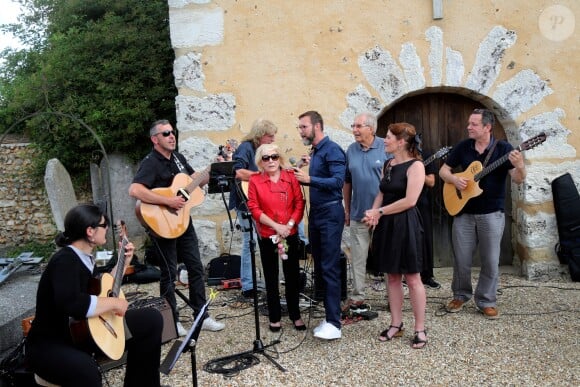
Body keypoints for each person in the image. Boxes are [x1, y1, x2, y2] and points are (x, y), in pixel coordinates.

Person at [26, 204, 163, 386]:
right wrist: (114, 304)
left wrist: (124, 262)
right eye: (103, 224)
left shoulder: (85, 258)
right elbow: (72, 303)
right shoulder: (65, 260)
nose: (106, 228)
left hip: (81, 331)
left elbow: (102, 289)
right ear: (90, 231)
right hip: (50, 345)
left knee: (150, 320)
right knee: (87, 370)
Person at [129, 119, 224, 336]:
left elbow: (196, 181)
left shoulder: (179, 159)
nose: (172, 136)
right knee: (169, 273)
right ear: (155, 139)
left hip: (183, 221)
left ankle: (202, 316)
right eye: (166, 133)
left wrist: (214, 167)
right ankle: (172, 321)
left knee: (196, 268)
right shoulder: (150, 163)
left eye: (172, 132)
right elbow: (134, 190)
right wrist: (167, 201)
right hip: (163, 224)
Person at [439, 108, 526, 319]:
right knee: (461, 258)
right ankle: (460, 295)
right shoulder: (463, 147)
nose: (468, 127)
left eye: (474, 124)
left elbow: (518, 179)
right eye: (469, 123)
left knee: (490, 259)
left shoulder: (504, 148)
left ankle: (486, 300)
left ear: (487, 127)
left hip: (491, 213)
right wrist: (454, 180)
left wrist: (520, 165)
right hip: (463, 213)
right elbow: (443, 170)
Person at [363, 122, 428, 349]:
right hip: (387, 224)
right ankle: (396, 324)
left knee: (412, 277)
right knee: (391, 276)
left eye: (389, 137)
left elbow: (410, 201)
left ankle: (419, 328)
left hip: (406, 224)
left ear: (401, 142)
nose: (384, 141)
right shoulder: (388, 164)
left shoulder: (416, 167)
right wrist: (374, 214)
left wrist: (379, 212)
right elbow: (382, 192)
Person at [294, 110, 346, 340]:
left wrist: (309, 179)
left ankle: (335, 323)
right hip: (316, 214)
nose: (300, 131)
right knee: (321, 265)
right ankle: (329, 316)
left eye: (303, 127)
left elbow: (337, 182)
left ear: (317, 126)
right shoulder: (315, 152)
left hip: (330, 214)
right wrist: (306, 166)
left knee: (330, 266)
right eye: (299, 127)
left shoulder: (333, 149)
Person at [246, 143, 306, 331]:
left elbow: (299, 203)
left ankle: (295, 314)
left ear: (279, 158)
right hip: (268, 234)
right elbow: (254, 208)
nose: (270, 161)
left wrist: (288, 226)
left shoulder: (290, 177)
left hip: (290, 233)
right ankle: (274, 316)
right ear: (260, 162)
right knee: (271, 277)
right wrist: (276, 226)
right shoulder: (255, 181)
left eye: (274, 157)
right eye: (266, 158)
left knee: (292, 276)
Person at [342, 112, 391, 313]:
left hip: (384, 214)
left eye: (359, 126)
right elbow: (347, 181)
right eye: (353, 126)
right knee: (358, 257)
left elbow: (395, 180)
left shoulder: (386, 147)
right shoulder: (351, 150)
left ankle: (392, 296)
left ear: (371, 128)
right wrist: (346, 209)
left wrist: (384, 210)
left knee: (388, 257)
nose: (354, 129)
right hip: (358, 213)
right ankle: (357, 296)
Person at [228, 119, 278, 298]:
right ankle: (248, 285)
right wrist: (262, 175)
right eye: (270, 136)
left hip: (259, 202)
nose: (273, 139)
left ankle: (265, 281)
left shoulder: (263, 151)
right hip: (245, 202)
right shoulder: (246, 148)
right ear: (260, 135)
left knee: (264, 241)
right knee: (250, 242)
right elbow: (238, 172)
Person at [418, 145, 441, 289]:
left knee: (425, 238)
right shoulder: (396, 155)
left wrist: (417, 172)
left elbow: (431, 181)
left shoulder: (426, 155)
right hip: (401, 200)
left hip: (421, 202)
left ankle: (426, 275)